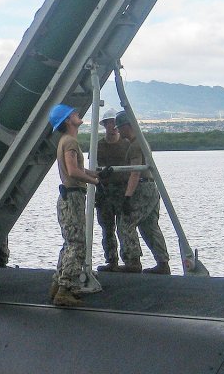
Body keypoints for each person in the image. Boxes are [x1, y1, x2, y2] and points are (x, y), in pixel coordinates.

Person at [49, 104, 100, 307]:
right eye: (74, 113)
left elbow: (75, 168)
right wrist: (94, 181)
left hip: (67, 197)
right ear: (68, 121)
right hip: (73, 198)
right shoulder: (70, 141)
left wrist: (91, 173)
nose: (77, 114)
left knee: (69, 243)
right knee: (77, 244)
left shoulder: (64, 141)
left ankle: (57, 284)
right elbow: (72, 171)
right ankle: (65, 289)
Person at [116, 110, 171, 274]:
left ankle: (133, 261)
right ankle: (163, 262)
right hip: (152, 188)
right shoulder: (142, 141)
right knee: (149, 226)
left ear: (127, 126)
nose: (118, 131)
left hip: (142, 188)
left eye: (119, 127)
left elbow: (136, 172)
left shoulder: (135, 145)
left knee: (125, 223)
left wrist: (127, 197)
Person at [94, 108, 131, 272]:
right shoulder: (98, 146)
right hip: (104, 191)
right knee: (107, 228)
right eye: (110, 123)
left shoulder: (126, 144)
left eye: (115, 123)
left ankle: (130, 260)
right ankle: (111, 260)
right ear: (104, 125)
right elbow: (93, 169)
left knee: (125, 227)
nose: (113, 126)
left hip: (123, 191)